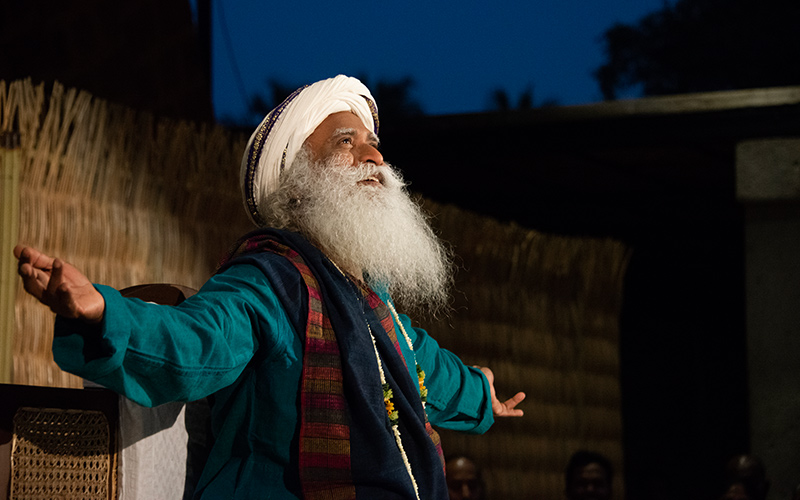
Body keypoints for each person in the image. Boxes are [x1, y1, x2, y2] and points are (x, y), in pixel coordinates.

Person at [15, 75, 525, 499]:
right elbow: (199, 339)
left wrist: (481, 396)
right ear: (298, 175)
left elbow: (422, 367)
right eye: (347, 141)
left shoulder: (372, 302)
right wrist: (105, 312)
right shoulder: (270, 279)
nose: (374, 157)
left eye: (373, 143)